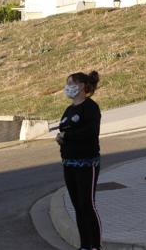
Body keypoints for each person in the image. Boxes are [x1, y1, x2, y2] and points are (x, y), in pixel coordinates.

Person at [56, 71, 102, 250]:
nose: (68, 87)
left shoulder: (90, 107)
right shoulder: (69, 109)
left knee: (87, 204)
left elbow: (91, 132)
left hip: (87, 162)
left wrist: (67, 135)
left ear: (82, 85)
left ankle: (95, 246)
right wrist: (61, 138)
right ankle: (84, 245)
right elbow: (64, 129)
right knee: (77, 206)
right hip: (69, 162)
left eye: (71, 83)